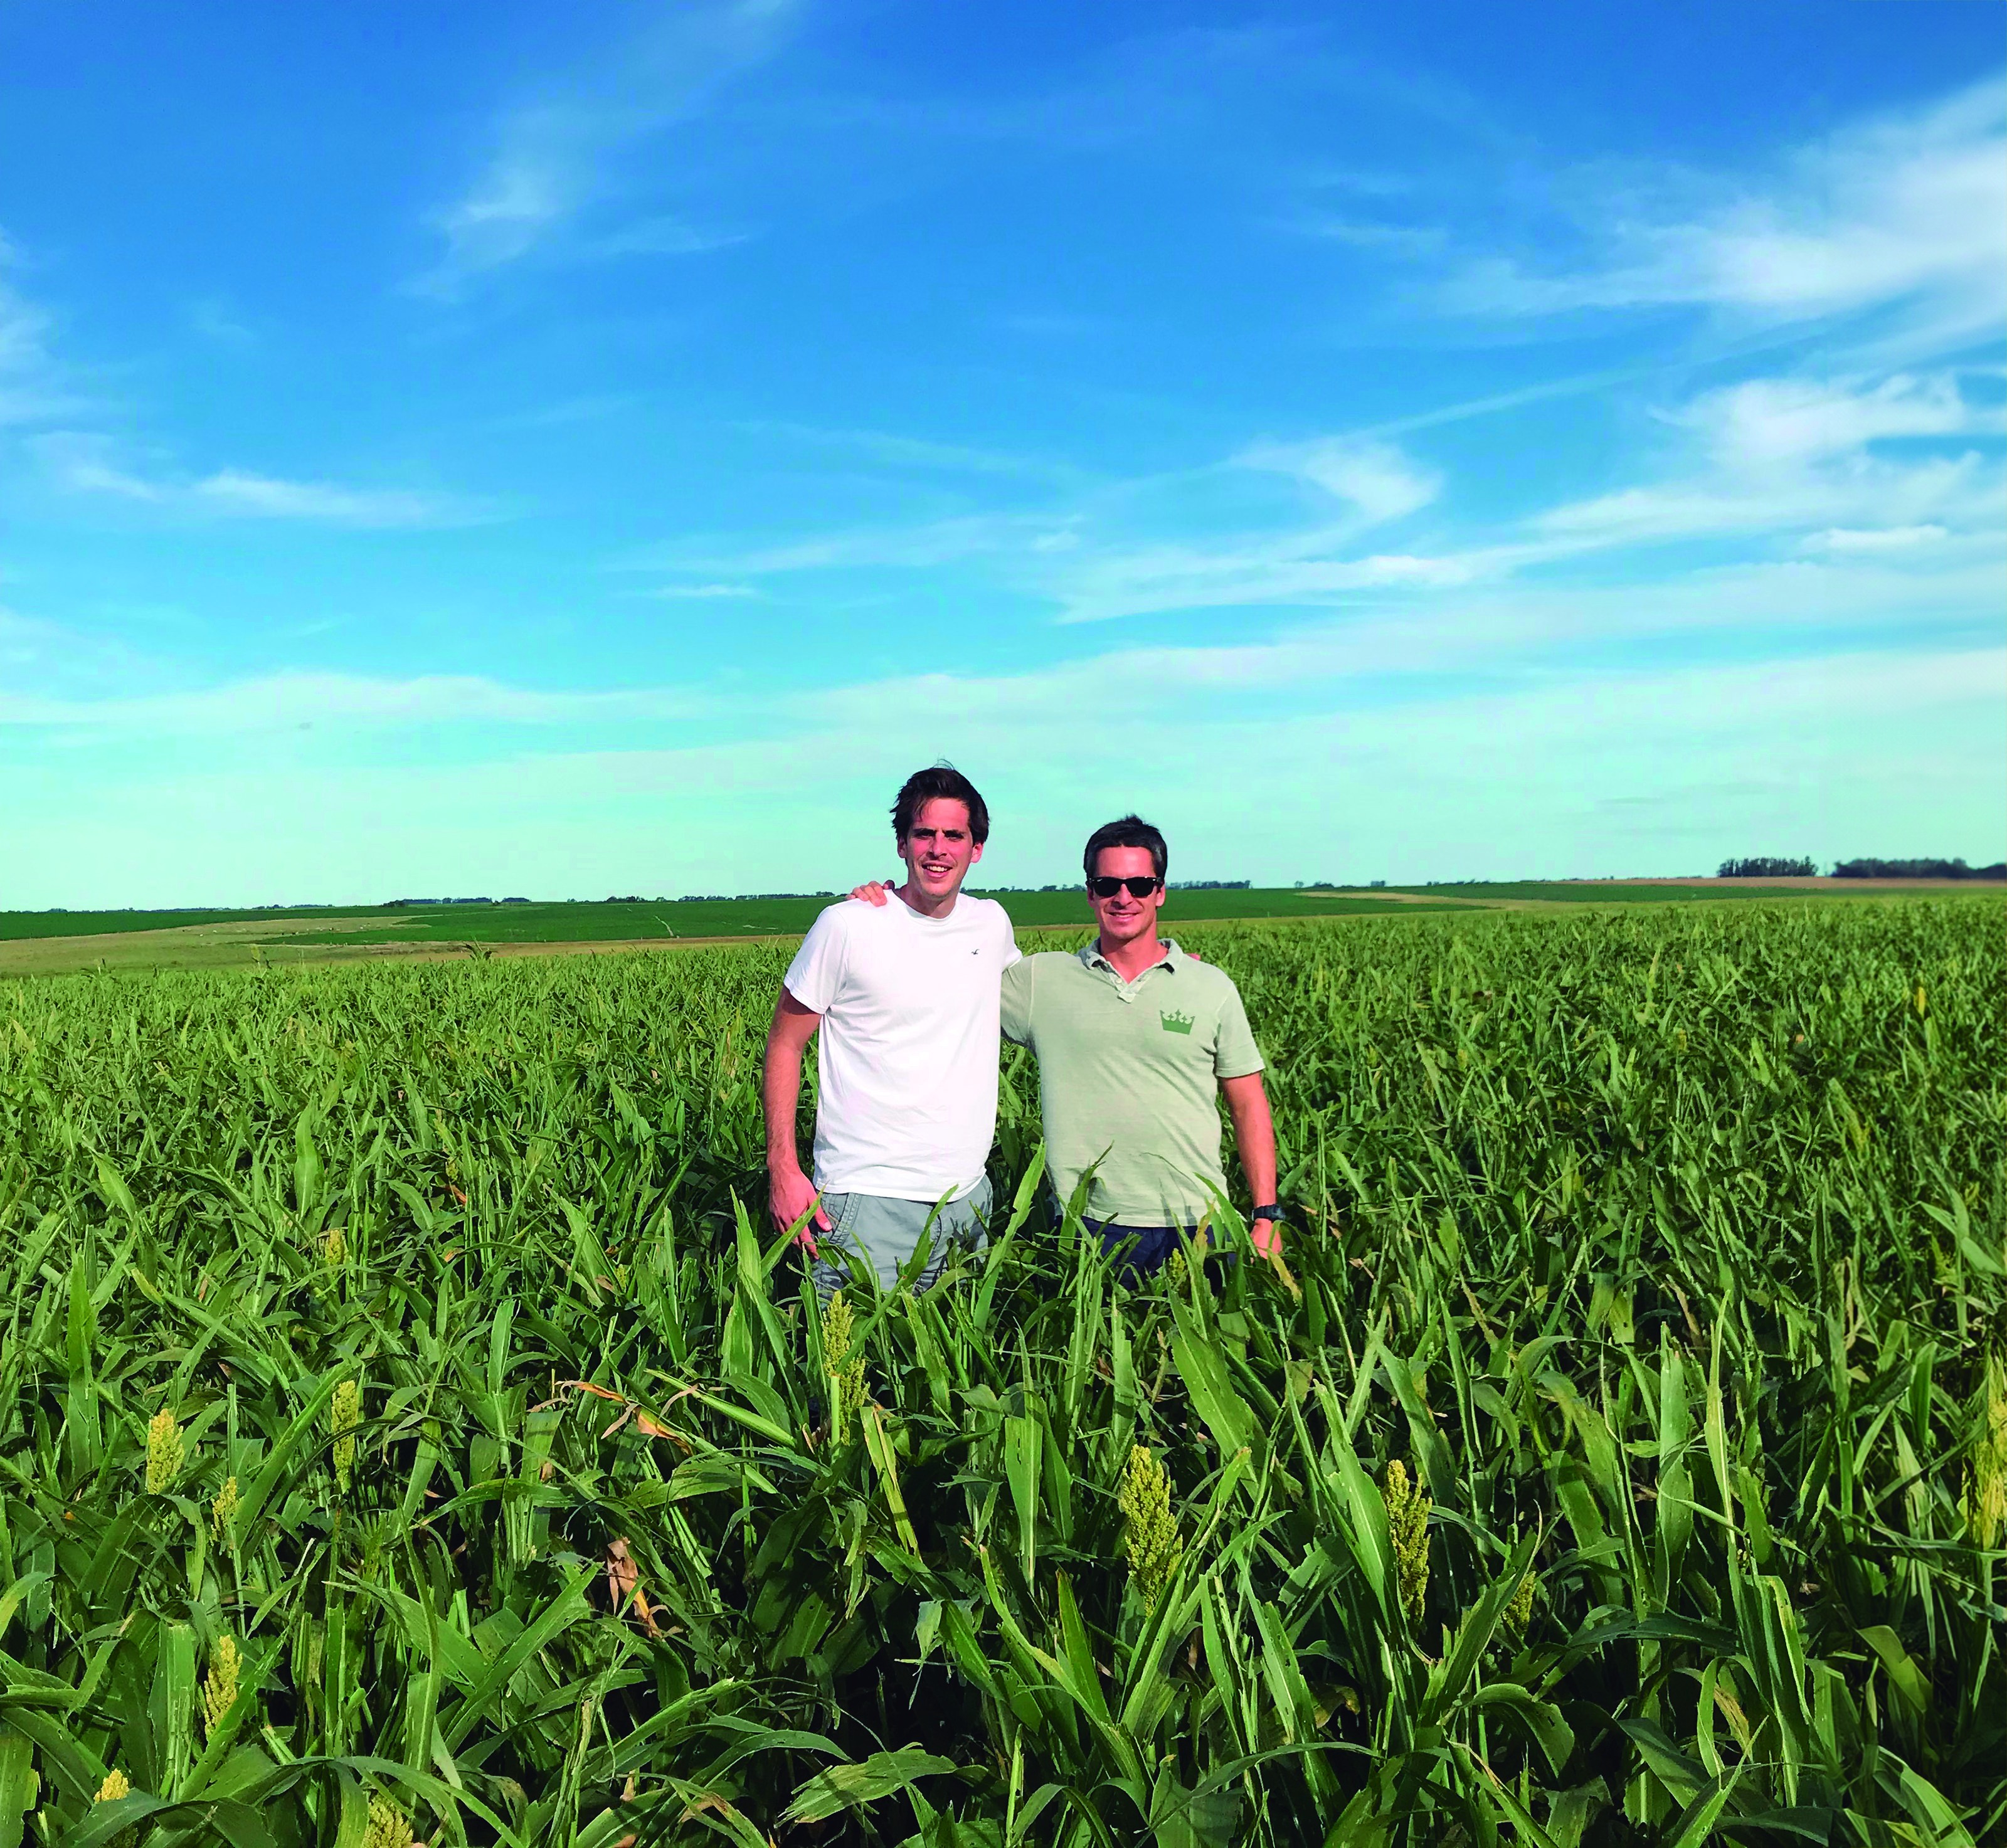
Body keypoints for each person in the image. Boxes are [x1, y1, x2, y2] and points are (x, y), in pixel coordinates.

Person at [850, 814, 1284, 1280]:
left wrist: (1267, 1214)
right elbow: (944, 977)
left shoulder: (1210, 987)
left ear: (1160, 891)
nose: (1124, 897)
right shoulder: (1043, 981)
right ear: (1090, 892)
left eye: (1140, 884)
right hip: (1089, 1225)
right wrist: (891, 911)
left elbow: (1248, 1104)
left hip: (1200, 1223)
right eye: (1108, 883)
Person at [764, 764, 1020, 1297]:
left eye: (955, 835)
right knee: (847, 1374)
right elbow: (785, 1043)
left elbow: (1042, 999)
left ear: (977, 849)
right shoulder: (849, 925)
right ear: (902, 844)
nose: (938, 849)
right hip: (866, 1206)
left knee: (950, 1376)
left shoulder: (990, 923)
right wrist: (782, 1167)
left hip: (968, 1201)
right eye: (924, 833)